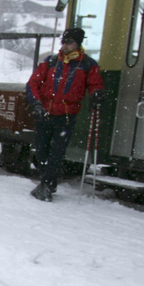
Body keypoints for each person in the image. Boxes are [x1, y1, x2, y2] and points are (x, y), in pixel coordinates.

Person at [25, 27, 104, 201]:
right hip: (45, 112)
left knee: (57, 152)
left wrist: (96, 93)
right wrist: (36, 103)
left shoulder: (88, 64)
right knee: (41, 150)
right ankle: (47, 181)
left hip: (67, 116)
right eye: (64, 42)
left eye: (69, 42)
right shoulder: (51, 62)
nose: (65, 45)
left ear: (78, 44)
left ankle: (47, 184)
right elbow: (33, 83)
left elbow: (95, 84)